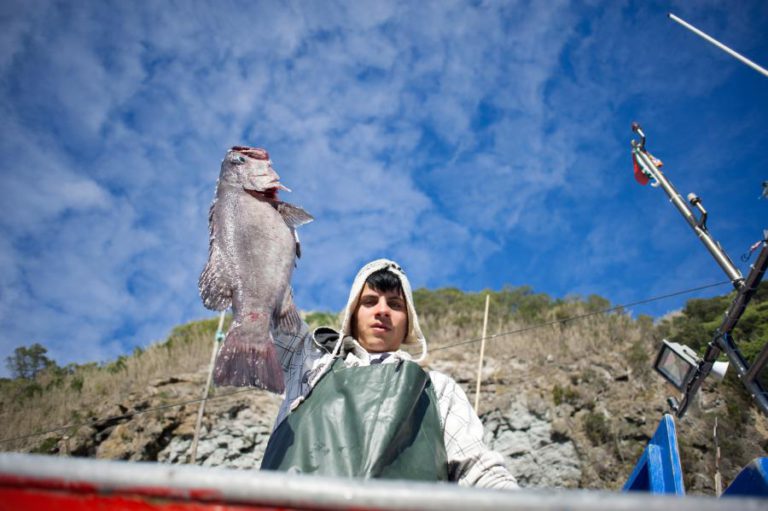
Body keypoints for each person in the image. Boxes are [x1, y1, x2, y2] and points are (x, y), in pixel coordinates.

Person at [261, 258, 518, 489]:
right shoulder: (308, 364)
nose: (382, 310)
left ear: (408, 322)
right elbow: (268, 292)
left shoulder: (437, 390)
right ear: (352, 315)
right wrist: (262, 218)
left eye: (395, 304)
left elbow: (477, 469)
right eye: (370, 301)